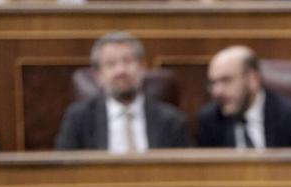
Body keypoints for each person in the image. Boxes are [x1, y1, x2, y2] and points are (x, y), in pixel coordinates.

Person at [55, 31, 190, 152]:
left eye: (128, 61)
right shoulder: (78, 119)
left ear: (143, 68)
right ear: (98, 76)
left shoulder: (171, 121)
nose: (121, 71)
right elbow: (65, 168)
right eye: (111, 64)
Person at [197, 45, 291, 150]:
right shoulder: (210, 120)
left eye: (226, 80)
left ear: (253, 79)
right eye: (213, 83)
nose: (217, 91)